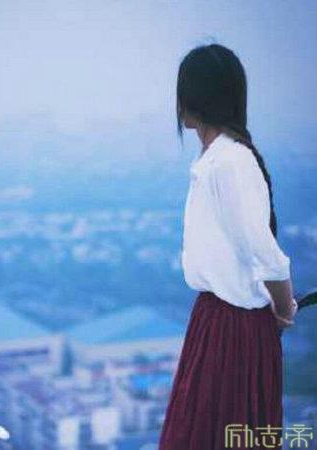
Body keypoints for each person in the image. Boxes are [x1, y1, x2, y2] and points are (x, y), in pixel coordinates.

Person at [157, 43, 298, 450]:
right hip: (218, 322)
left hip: (233, 330)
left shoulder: (231, 163)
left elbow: (267, 255)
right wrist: (281, 310)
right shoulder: (218, 161)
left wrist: (283, 307)